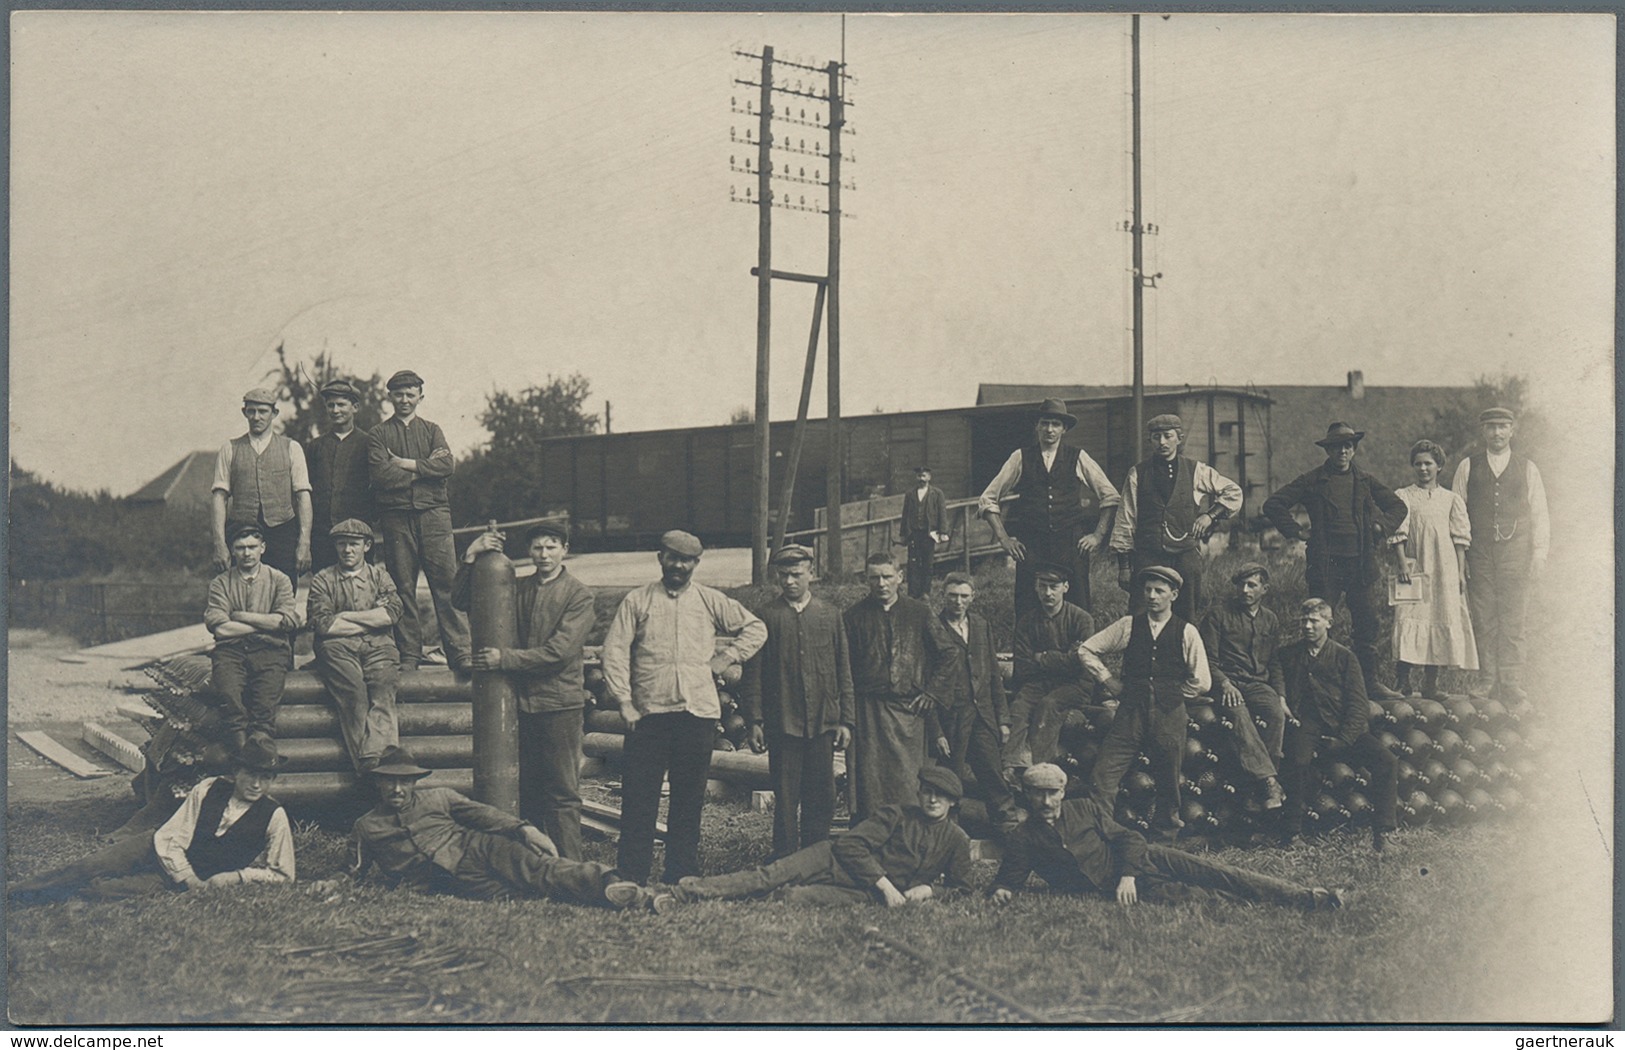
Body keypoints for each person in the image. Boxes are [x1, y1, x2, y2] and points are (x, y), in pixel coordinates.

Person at [601, 530, 767, 885]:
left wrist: (727, 657)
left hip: (698, 715)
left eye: (686, 560)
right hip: (648, 715)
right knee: (639, 796)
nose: (678, 565)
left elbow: (756, 629)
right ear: (660, 558)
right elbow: (614, 652)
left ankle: (682, 873)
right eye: (672, 557)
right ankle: (632, 874)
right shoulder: (637, 601)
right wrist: (624, 701)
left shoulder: (709, 600)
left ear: (696, 563)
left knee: (688, 798)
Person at [311, 747, 669, 911]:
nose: (398, 790)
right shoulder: (367, 827)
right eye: (390, 783)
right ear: (378, 784)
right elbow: (351, 870)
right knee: (524, 896)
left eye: (405, 782)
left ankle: (612, 885)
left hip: (479, 848)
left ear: (415, 782)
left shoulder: (438, 797)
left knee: (538, 869)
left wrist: (524, 829)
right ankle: (622, 900)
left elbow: (483, 815)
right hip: (444, 881)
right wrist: (333, 882)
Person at [990, 764, 1345, 910]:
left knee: (1218, 872)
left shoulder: (1085, 808)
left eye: (1053, 793)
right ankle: (1295, 903)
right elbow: (1010, 878)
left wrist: (1128, 874)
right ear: (1027, 795)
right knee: (1207, 898)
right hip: (1121, 889)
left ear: (1063, 792)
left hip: (1144, 861)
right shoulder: (1023, 837)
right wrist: (1003, 891)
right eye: (1038, 794)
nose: (1047, 801)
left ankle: (1307, 895)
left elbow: (1128, 838)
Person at [452, 519, 596, 860]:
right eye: (537, 548)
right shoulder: (518, 587)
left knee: (561, 793)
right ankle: (535, 865)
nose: (544, 554)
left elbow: (558, 653)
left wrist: (505, 659)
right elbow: (461, 600)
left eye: (551, 547)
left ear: (565, 550)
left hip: (559, 705)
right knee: (528, 791)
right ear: (528, 552)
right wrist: (471, 557)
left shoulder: (579, 595)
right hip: (523, 706)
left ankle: (571, 867)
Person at [12, 739, 295, 904]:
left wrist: (238, 876)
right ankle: (16, 895)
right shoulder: (210, 787)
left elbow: (283, 875)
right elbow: (174, 836)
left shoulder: (274, 816)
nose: (257, 784)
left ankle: (52, 899)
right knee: (90, 866)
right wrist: (189, 878)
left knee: (103, 891)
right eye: (251, 775)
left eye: (265, 778)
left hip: (178, 879)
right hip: (155, 846)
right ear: (237, 772)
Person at [675, 766, 973, 907]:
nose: (933, 800)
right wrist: (886, 886)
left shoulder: (956, 839)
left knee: (792, 898)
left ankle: (731, 899)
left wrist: (929, 891)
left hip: (865, 893)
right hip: (831, 859)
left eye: (941, 796)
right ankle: (690, 892)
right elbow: (851, 845)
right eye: (928, 793)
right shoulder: (897, 815)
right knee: (769, 875)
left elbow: (962, 889)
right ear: (919, 793)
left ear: (953, 803)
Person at [1261, 421, 1410, 701]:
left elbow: (1398, 506)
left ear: (1353, 450)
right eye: (1337, 447)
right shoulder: (1313, 481)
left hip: (1361, 565)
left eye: (1347, 446)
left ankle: (1369, 684)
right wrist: (1296, 531)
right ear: (1328, 451)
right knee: (1316, 624)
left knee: (1366, 626)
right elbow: (1274, 504)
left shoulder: (1365, 481)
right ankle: (1319, 686)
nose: (1342, 451)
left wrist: (1380, 527)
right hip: (1325, 566)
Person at [1077, 565, 1210, 840]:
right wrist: (1108, 681)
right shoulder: (1129, 625)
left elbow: (1202, 681)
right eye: (1148, 590)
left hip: (1169, 713)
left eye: (1159, 591)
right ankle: (1100, 833)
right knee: (1104, 773)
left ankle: (1166, 835)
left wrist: (1172, 693)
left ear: (1173, 595)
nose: (1151, 596)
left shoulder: (1187, 632)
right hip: (1130, 711)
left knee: (1169, 778)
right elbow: (1087, 649)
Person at [740, 544, 855, 859]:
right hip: (783, 724)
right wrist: (755, 721)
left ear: (811, 574)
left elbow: (843, 669)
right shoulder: (765, 616)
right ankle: (787, 862)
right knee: (786, 798)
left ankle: (816, 859)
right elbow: (754, 675)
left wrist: (846, 720)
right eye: (783, 575)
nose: (790, 581)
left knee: (822, 796)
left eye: (796, 574)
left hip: (822, 722)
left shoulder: (830, 615)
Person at [368, 369, 471, 673]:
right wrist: (424, 474)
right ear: (390, 397)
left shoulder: (431, 430)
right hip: (396, 517)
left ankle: (460, 651)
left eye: (410, 394)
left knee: (446, 584)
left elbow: (446, 464)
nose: (404, 400)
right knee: (402, 587)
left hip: (434, 516)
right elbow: (381, 475)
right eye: (398, 394)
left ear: (420, 397)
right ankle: (409, 653)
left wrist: (405, 464)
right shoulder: (378, 434)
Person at [978, 397, 1121, 617]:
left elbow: (1110, 496)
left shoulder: (1078, 457)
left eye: (1055, 424)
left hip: (1071, 544)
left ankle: (1078, 650)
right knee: (1029, 603)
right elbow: (988, 499)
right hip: (1031, 545)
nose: (1049, 429)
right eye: (1045, 423)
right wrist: (1004, 539)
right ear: (1037, 426)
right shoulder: (1020, 457)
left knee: (1078, 602)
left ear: (1064, 429)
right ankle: (1030, 651)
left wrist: (1097, 536)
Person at [1277, 599, 1399, 852]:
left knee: (1386, 760)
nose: (1308, 627)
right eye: (1304, 621)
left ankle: (1384, 834)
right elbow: (1276, 677)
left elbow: (1358, 704)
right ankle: (1291, 834)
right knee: (1297, 762)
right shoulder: (1289, 655)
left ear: (1328, 623)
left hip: (1341, 726)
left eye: (1314, 621)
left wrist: (1344, 739)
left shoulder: (1345, 657)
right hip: (1306, 725)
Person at [1450, 407, 1549, 703]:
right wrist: (1460, 560)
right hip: (1479, 554)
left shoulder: (1527, 468)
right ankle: (1486, 679)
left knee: (1513, 618)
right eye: (1491, 427)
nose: (1497, 433)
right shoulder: (1468, 467)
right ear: (1483, 431)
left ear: (1512, 430)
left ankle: (1511, 681)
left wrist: (1539, 554)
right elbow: (1457, 515)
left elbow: (1540, 514)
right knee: (1483, 618)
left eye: (1502, 427)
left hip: (1516, 553)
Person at [843, 551, 946, 823]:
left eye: (887, 576)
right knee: (871, 778)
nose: (881, 583)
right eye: (874, 577)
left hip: (908, 712)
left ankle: (908, 831)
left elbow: (949, 654)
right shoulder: (853, 617)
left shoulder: (919, 612)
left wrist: (932, 693)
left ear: (899, 577)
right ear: (867, 580)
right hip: (868, 713)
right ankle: (871, 832)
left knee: (908, 778)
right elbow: (843, 668)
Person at [1109, 413, 1243, 622]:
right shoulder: (1138, 473)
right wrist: (1124, 566)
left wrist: (1210, 516)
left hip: (1184, 553)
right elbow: (1125, 519)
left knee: (1186, 611)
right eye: (1156, 437)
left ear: (1179, 438)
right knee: (1140, 612)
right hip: (1148, 553)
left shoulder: (1195, 470)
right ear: (1150, 440)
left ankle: (1183, 652)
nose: (1162, 442)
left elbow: (1233, 492)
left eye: (1167, 436)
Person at [307, 518, 404, 772]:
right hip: (337, 649)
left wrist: (345, 617)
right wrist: (371, 620)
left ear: (367, 546)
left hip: (380, 645)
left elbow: (391, 614)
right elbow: (324, 626)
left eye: (353, 544)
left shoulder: (380, 577)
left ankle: (381, 761)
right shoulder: (322, 580)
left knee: (383, 688)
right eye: (342, 544)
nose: (347, 550)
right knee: (354, 694)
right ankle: (371, 766)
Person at [926, 573, 1017, 832]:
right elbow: (927, 685)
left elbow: (992, 675)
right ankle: (947, 831)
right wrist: (937, 732)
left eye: (964, 596)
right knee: (950, 778)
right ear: (943, 596)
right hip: (952, 718)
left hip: (983, 715)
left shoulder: (979, 625)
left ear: (972, 597)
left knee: (993, 772)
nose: (958, 601)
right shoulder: (934, 628)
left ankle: (1007, 824)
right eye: (952, 595)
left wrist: (1003, 720)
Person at [1196, 563, 1288, 810]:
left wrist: (1280, 696)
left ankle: (1262, 784)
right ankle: (1269, 783)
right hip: (1227, 681)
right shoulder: (1218, 615)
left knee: (1275, 714)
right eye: (1241, 585)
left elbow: (1275, 662)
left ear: (1264, 589)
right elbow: (1207, 660)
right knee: (1239, 713)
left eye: (1252, 585)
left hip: (1258, 683)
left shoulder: (1270, 619)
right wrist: (1224, 683)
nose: (1245, 590)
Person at [1392, 440, 1477, 699]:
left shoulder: (1451, 499)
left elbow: (1460, 539)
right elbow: (1399, 533)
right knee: (1407, 617)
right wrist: (1402, 562)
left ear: (1439, 466)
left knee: (1438, 615)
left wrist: (1460, 572)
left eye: (1428, 463)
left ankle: (1431, 684)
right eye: (1418, 464)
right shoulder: (1404, 496)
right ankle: (1402, 681)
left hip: (1445, 569)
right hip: (1414, 567)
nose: (1423, 468)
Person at [205, 524, 301, 750]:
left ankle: (261, 753)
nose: (246, 553)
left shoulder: (280, 580)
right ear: (232, 550)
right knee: (229, 694)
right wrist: (266, 624)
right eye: (240, 548)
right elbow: (220, 629)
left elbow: (286, 622)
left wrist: (240, 617)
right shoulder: (220, 583)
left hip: (272, 650)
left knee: (265, 703)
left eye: (252, 547)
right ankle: (241, 753)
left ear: (263, 548)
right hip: (231, 651)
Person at [210, 387, 313, 586]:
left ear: (274, 413)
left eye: (263, 411)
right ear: (244, 412)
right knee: (240, 590)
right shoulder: (230, 449)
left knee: (283, 591)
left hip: (282, 531)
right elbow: (219, 498)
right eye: (251, 411)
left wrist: (304, 542)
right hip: (240, 531)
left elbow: (303, 497)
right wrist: (219, 543)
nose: (257, 417)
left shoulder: (292, 448)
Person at [1004, 564, 1096, 778]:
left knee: (1049, 705)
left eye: (1053, 587)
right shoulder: (1027, 622)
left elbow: (1079, 662)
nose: (1047, 593)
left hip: (1076, 685)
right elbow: (1024, 666)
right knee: (1018, 708)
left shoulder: (1082, 619)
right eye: (1042, 586)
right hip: (1039, 682)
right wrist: (1060, 659)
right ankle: (1010, 768)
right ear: (1036, 588)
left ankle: (1040, 770)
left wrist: (1043, 657)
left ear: (1065, 587)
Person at [307, 378, 376, 573]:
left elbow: (378, 485)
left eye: (341, 405)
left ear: (355, 407)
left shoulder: (369, 444)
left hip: (358, 535)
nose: (335, 410)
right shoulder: (315, 447)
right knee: (324, 591)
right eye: (331, 405)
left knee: (359, 591)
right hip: (323, 536)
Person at [900, 465, 949, 599]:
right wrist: (903, 534)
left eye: (924, 476)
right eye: (919, 476)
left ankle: (925, 592)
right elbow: (905, 515)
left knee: (928, 563)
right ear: (916, 477)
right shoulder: (910, 494)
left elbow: (942, 513)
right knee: (913, 563)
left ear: (929, 477)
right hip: (914, 533)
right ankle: (913, 592)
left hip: (929, 534)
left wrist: (943, 531)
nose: (921, 478)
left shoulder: (937, 493)